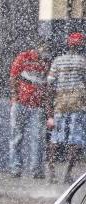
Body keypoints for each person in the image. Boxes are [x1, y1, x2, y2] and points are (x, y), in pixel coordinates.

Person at [9, 40, 52, 179]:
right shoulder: (23, 57)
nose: (45, 51)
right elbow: (13, 77)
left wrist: (45, 106)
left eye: (47, 48)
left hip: (37, 106)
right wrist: (16, 97)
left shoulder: (46, 62)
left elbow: (46, 86)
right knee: (16, 137)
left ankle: (36, 171)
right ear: (36, 47)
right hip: (21, 103)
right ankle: (15, 168)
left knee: (38, 139)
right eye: (43, 47)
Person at [47, 32, 86, 184]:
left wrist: (49, 111)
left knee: (55, 139)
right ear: (80, 46)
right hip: (78, 104)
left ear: (68, 45)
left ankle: (51, 172)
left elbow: (50, 86)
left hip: (60, 103)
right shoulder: (83, 62)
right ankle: (68, 174)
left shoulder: (57, 61)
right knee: (74, 140)